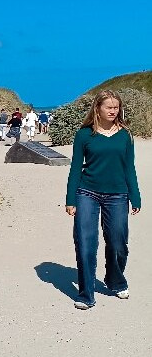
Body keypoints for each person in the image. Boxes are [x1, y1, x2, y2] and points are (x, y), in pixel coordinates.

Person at [65, 91, 141, 310]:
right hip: (87, 192)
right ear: (97, 108)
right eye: (108, 107)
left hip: (118, 194)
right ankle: (86, 293)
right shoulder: (84, 135)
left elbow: (129, 167)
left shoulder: (125, 135)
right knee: (85, 242)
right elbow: (75, 169)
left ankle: (115, 280)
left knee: (118, 243)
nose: (113, 111)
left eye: (116, 107)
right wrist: (71, 199)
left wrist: (134, 195)